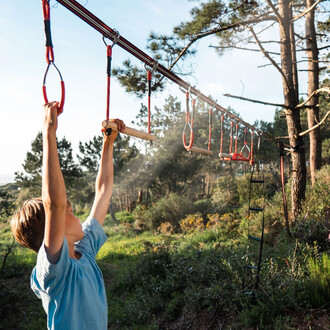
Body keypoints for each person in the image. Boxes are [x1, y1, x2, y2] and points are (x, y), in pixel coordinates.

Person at [11, 101, 125, 329]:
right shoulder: (55, 269)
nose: (73, 213)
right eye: (68, 211)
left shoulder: (85, 250)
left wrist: (108, 142)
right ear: (51, 231)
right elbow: (54, 204)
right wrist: (49, 132)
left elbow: (103, 190)